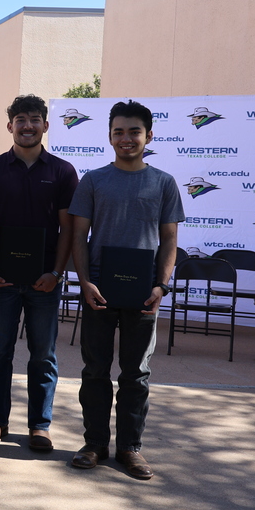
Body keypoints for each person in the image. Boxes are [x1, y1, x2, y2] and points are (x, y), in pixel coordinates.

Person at [69, 100, 183, 480]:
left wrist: (160, 286)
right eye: (118, 131)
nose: (126, 138)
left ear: (149, 135)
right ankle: (95, 444)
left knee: (136, 375)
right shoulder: (93, 180)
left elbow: (169, 241)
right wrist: (85, 282)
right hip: (99, 292)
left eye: (134, 131)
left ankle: (130, 449)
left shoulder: (163, 183)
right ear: (109, 136)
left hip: (143, 295)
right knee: (95, 371)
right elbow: (78, 237)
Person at [0, 95, 78, 453]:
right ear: (9, 126)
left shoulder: (62, 172)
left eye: (34, 119)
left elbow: (69, 230)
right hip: (1, 280)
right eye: (20, 119)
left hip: (44, 281)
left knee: (43, 355)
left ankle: (40, 425)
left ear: (45, 125)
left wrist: (56, 272)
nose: (27, 126)